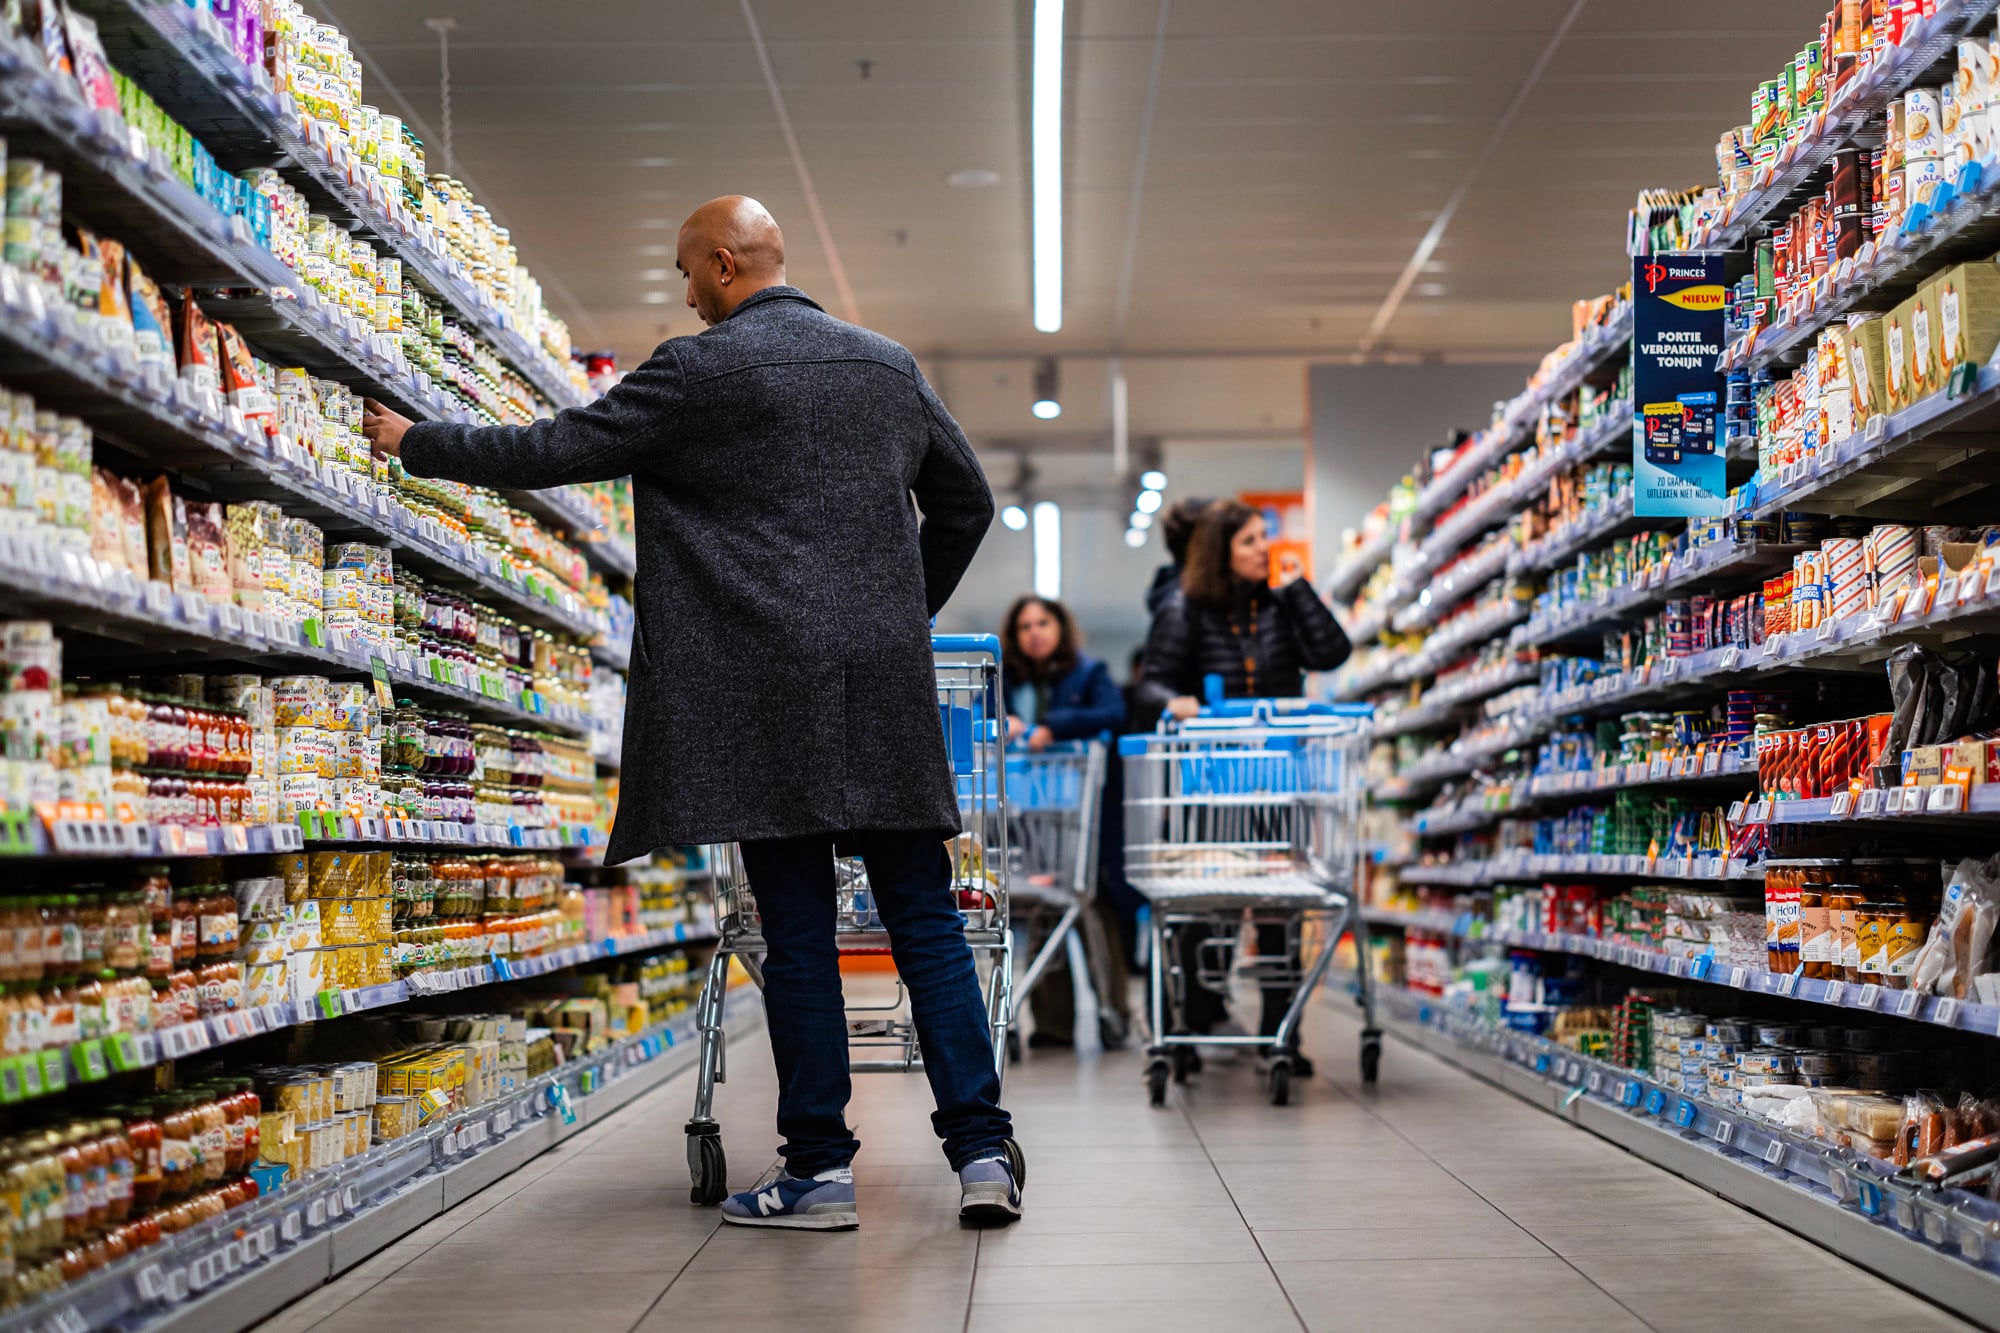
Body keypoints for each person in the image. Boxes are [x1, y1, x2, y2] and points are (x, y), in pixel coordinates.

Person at [358, 196, 1020, 1231]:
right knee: (926, 922)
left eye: (683, 271)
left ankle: (818, 1172)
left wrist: (420, 442)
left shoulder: (697, 369)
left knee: (796, 932)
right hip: (881, 686)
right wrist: (897, 612)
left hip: (763, 694)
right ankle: (983, 1156)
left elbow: (558, 448)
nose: (682, 291)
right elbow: (967, 501)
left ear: (721, 264)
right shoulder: (887, 366)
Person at [1135, 499, 1352, 1067]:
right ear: (1222, 551)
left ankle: (1282, 1037)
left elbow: (1332, 652)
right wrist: (1174, 702)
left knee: (1281, 906)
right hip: (1210, 783)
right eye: (1251, 540)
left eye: (1265, 537)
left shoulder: (1281, 606)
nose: (1265, 548)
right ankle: (1181, 1026)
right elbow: (1150, 685)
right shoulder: (1185, 608)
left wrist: (1300, 590)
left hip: (1277, 783)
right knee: (1202, 908)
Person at [998, 595, 1127, 1049]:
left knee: (1092, 906)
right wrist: (1002, 723)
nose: (1034, 632)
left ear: (1060, 627)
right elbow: (979, 719)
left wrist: (1055, 726)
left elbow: (1114, 714)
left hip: (1080, 815)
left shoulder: (1089, 673)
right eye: (1025, 626)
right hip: (1026, 814)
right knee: (1043, 912)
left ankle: (1114, 1010)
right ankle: (1053, 1025)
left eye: (1043, 622)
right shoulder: (1005, 680)